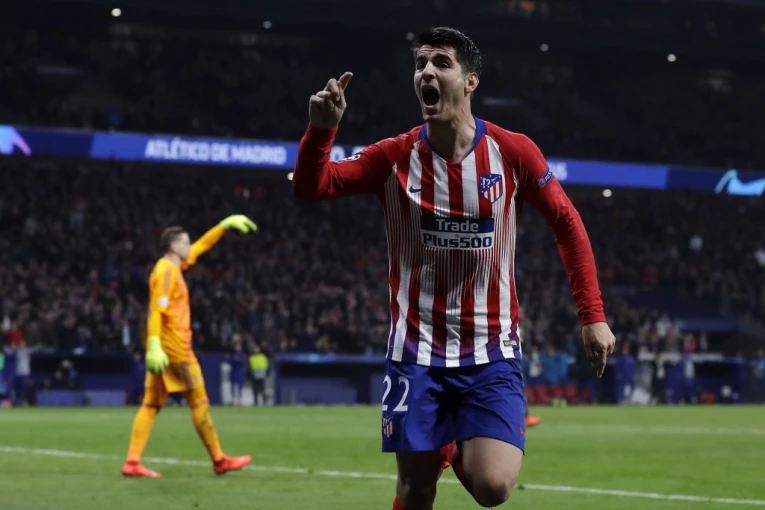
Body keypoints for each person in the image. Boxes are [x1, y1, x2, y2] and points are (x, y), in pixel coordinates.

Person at [292, 26, 615, 510]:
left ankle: (450, 442)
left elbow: (567, 223)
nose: (426, 71)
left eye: (441, 62)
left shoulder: (512, 152)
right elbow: (312, 187)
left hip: (491, 351)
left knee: (494, 487)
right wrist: (322, 131)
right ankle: (438, 445)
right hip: (416, 353)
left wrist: (592, 315)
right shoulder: (394, 157)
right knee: (416, 491)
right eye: (420, 63)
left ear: (470, 81)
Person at [121, 215, 257, 478]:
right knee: (199, 402)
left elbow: (201, 246)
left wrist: (222, 226)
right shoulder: (165, 273)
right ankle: (219, 460)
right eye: (185, 242)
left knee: (151, 404)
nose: (189, 245)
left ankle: (132, 462)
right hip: (175, 350)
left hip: (165, 350)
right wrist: (154, 344)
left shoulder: (173, 266)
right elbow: (155, 310)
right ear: (173, 247)